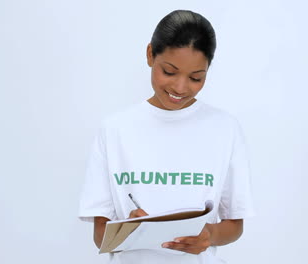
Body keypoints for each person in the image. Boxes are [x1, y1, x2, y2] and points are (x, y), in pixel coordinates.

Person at [78, 9, 255, 264]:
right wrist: (127, 229)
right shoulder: (115, 129)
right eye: (169, 72)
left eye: (196, 78)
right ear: (150, 54)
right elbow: (99, 236)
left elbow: (235, 225)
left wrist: (210, 235)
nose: (180, 87)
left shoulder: (225, 128)